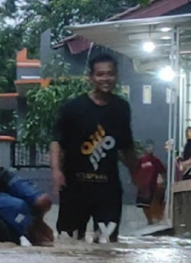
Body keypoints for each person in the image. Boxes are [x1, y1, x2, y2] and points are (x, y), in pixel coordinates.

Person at [50, 53, 140, 244]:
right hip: (75, 187)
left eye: (110, 74)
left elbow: (127, 146)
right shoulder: (72, 108)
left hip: (108, 189)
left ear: (116, 76)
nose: (105, 79)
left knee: (107, 244)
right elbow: (57, 142)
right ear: (90, 77)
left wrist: (137, 173)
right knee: (69, 242)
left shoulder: (121, 108)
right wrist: (56, 171)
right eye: (100, 75)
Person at [135, 140, 166, 225]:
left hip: (152, 186)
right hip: (142, 186)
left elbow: (162, 170)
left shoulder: (155, 160)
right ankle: (149, 220)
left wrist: (162, 180)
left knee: (151, 203)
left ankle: (155, 218)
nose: (149, 149)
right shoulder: (141, 160)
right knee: (143, 204)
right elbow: (135, 171)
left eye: (151, 147)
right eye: (148, 147)